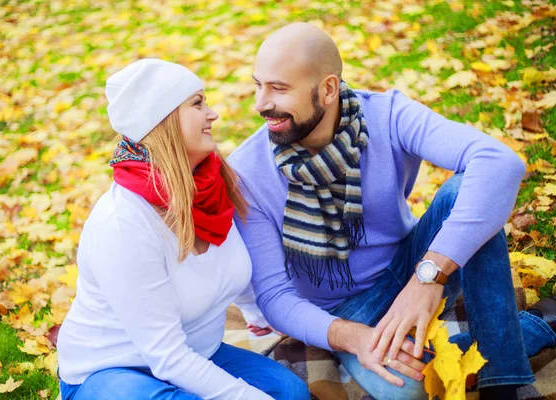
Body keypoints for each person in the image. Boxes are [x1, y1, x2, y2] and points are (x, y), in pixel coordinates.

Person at [229, 23, 556, 400]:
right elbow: (274, 297)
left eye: (279, 89)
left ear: (328, 89)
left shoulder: (388, 116)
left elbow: (500, 163)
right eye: (259, 85)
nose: (260, 103)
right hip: (343, 311)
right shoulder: (247, 172)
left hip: (411, 264)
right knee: (407, 391)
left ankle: (505, 384)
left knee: (471, 190)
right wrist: (355, 338)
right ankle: (533, 327)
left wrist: (427, 278)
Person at [56, 59, 310, 400]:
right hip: (113, 369)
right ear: (162, 120)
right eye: (198, 103)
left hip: (197, 351)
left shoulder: (212, 187)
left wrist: (257, 313)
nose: (213, 114)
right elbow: (167, 356)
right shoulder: (122, 223)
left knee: (289, 391)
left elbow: (233, 264)